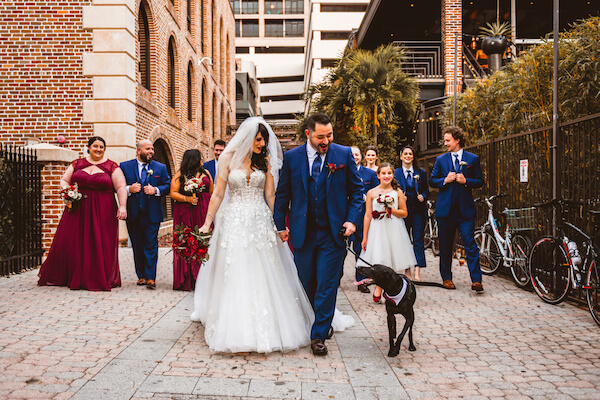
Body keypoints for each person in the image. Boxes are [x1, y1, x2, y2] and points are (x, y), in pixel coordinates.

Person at [190, 117, 314, 354]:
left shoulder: (264, 161)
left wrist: (279, 225)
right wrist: (207, 223)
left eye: (264, 140)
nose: (261, 144)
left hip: (259, 221)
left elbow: (270, 195)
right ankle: (235, 325)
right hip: (234, 220)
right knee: (235, 269)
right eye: (258, 140)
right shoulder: (227, 158)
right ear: (247, 138)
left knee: (265, 270)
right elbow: (217, 194)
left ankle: (270, 326)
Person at [274, 113, 363, 356]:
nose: (326, 141)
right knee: (307, 283)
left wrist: (352, 220)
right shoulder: (292, 157)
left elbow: (357, 193)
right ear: (308, 134)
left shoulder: (342, 154)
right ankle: (320, 320)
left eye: (329, 135)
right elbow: (283, 195)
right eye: (320, 136)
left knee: (327, 283)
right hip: (302, 232)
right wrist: (280, 225)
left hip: (333, 233)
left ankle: (318, 334)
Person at [38, 136, 127, 291]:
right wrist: (69, 192)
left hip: (103, 209)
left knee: (101, 242)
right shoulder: (77, 164)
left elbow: (120, 187)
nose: (98, 149)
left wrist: (123, 206)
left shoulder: (112, 166)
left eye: (101, 147)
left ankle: (99, 277)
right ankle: (74, 276)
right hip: (78, 209)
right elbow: (64, 180)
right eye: (95, 146)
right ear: (88, 147)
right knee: (74, 241)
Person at [429, 126, 484, 292]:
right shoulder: (440, 160)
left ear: (457, 140)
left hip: (465, 211)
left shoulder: (472, 159)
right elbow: (432, 181)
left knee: (470, 244)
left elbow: (480, 181)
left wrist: (466, 180)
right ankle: (446, 278)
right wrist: (445, 180)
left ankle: (476, 280)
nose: (445, 143)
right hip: (445, 211)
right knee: (445, 246)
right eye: (445, 140)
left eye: (448, 140)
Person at [358, 163, 416, 303]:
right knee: (380, 258)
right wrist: (365, 237)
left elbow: (404, 213)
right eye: (383, 173)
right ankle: (379, 286)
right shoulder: (371, 193)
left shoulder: (397, 192)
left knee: (393, 257)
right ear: (378, 175)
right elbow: (367, 215)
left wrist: (391, 210)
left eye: (389, 173)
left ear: (392, 175)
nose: (386, 176)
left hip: (394, 227)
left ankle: (388, 289)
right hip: (377, 229)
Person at [120, 140, 171, 289]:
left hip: (152, 214)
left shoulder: (160, 167)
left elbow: (167, 185)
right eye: (148, 149)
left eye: (152, 149)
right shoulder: (125, 166)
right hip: (134, 213)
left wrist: (156, 190)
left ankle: (150, 277)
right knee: (137, 245)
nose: (151, 151)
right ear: (138, 151)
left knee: (151, 245)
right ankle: (141, 276)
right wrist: (129, 189)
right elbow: (118, 185)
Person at [169, 149, 213, 291]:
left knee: (203, 241)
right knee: (187, 241)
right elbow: (173, 193)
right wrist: (187, 198)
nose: (202, 160)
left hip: (203, 210)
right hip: (185, 211)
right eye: (200, 158)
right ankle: (187, 279)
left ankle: (203, 278)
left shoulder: (206, 173)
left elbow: (211, 191)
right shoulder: (180, 175)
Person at [394, 146, 429, 282]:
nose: (408, 156)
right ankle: (407, 269)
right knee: (405, 240)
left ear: (413, 157)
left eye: (410, 154)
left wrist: (423, 196)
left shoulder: (421, 172)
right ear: (401, 156)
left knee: (418, 240)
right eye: (405, 153)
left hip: (418, 210)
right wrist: (399, 197)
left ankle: (417, 271)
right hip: (403, 211)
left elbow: (426, 190)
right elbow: (392, 190)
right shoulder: (396, 173)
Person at [350, 146, 379, 293]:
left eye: (357, 154)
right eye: (352, 154)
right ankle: (335, 278)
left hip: (362, 216)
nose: (355, 157)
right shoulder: (342, 171)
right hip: (344, 215)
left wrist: (368, 198)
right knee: (339, 250)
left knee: (360, 248)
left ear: (361, 156)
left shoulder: (369, 173)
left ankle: (361, 280)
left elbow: (377, 192)